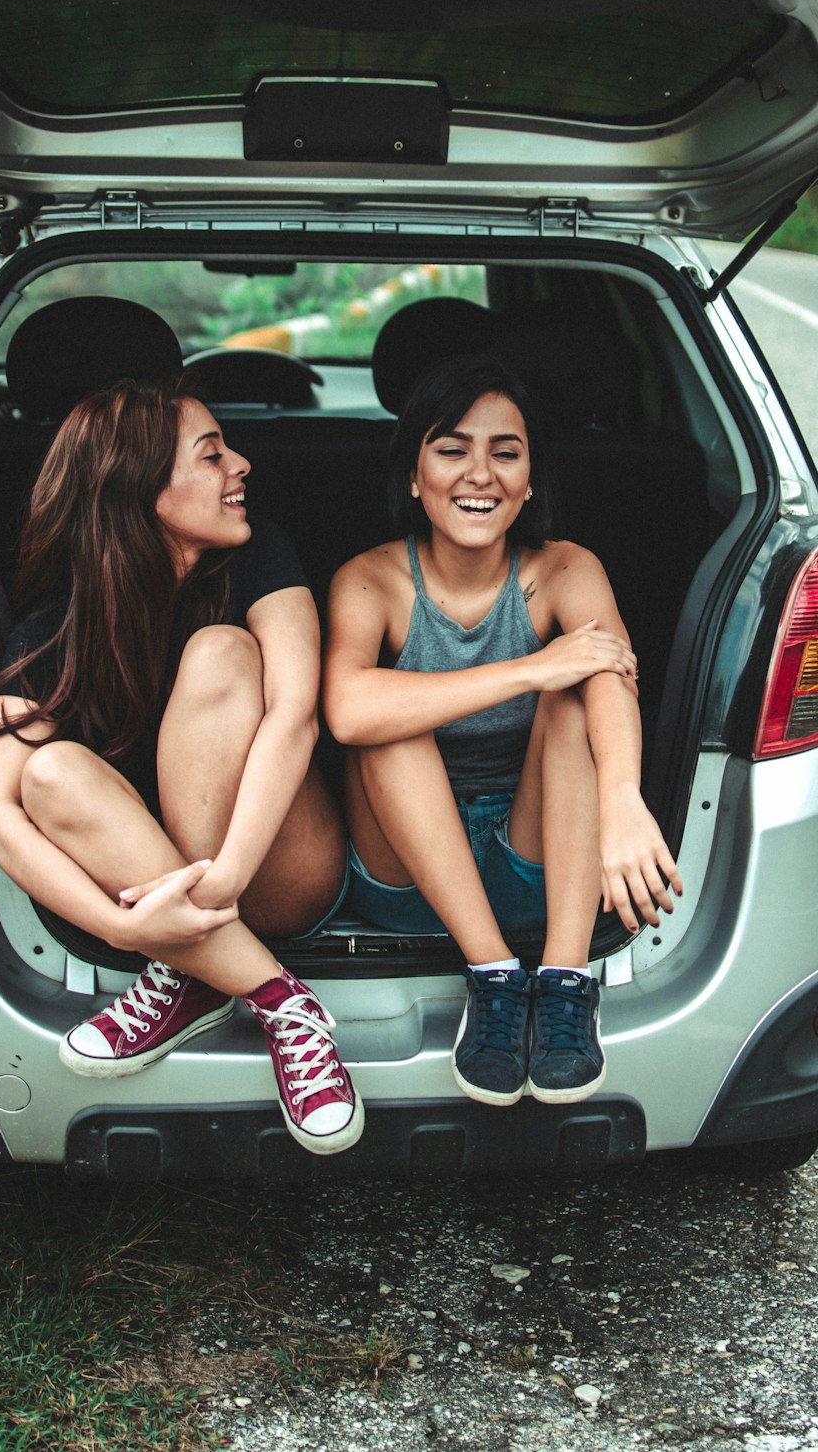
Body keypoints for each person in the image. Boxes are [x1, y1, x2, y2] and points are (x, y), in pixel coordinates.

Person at [0, 377, 363, 1155]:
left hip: (279, 868)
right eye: (213, 454)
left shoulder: (262, 560)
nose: (242, 465)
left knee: (221, 651)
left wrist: (216, 888)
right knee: (45, 774)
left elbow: (297, 716)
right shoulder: (54, 629)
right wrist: (129, 927)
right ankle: (277, 1000)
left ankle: (189, 972)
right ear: (143, 488)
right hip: (159, 903)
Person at [322, 354, 683, 1107]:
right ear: (415, 476)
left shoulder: (566, 568)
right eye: (452, 449)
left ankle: (563, 978)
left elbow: (611, 674)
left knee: (578, 695)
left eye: (505, 453)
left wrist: (622, 801)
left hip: (541, 869)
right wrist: (529, 668)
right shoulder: (370, 579)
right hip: (408, 876)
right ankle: (492, 975)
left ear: (529, 483)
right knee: (391, 718)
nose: (479, 474)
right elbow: (348, 711)